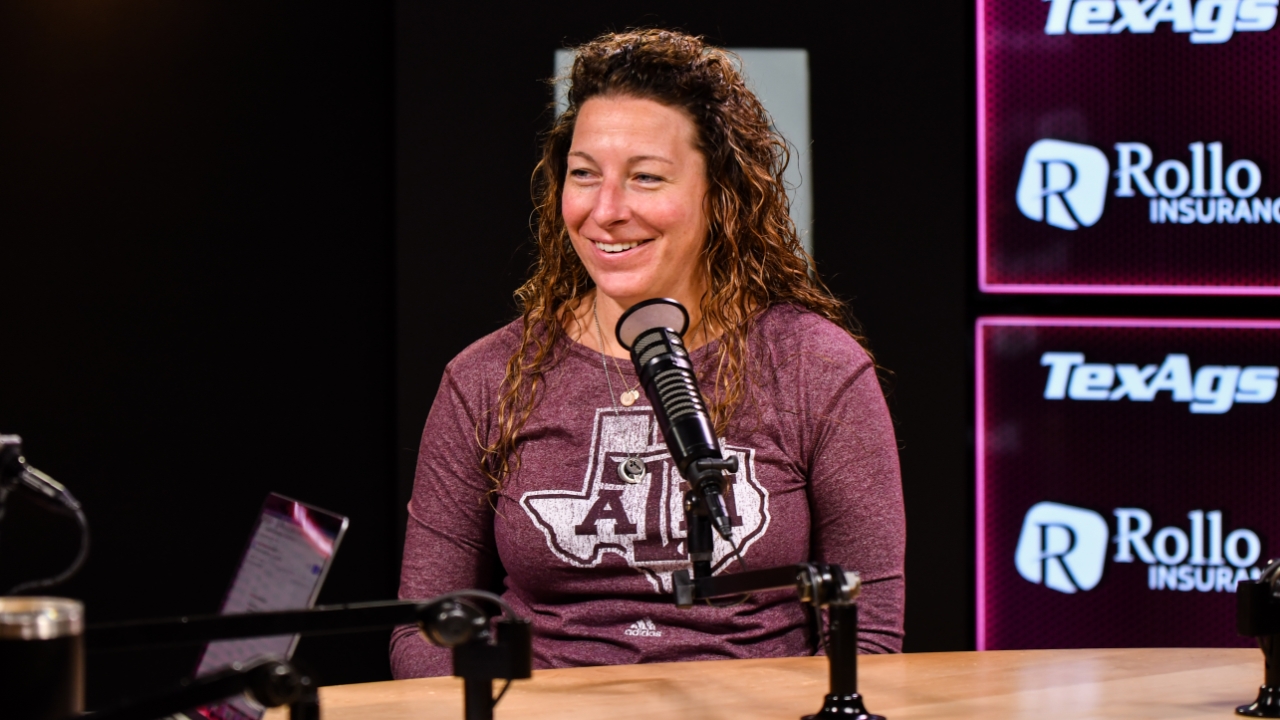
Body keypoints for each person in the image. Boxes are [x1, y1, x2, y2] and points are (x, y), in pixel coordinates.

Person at [391, 29, 905, 678]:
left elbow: (869, 634)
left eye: (645, 178)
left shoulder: (817, 369)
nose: (606, 211)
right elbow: (425, 629)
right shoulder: (485, 377)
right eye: (584, 175)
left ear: (720, 197)